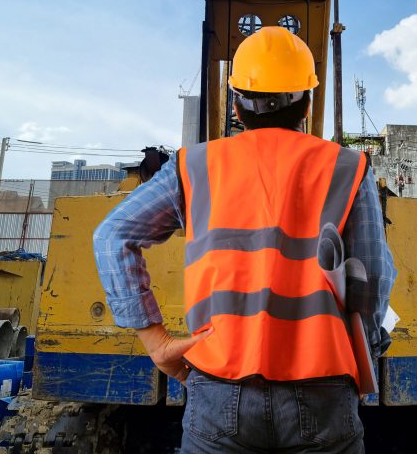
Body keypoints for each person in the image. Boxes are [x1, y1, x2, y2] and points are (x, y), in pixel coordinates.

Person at [94, 26, 396, 453]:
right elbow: (372, 276)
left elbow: (112, 236)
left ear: (236, 105)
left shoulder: (194, 166)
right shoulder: (348, 167)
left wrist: (157, 343)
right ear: (307, 103)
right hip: (323, 390)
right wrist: (365, 350)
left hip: (219, 391)